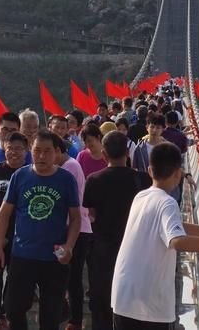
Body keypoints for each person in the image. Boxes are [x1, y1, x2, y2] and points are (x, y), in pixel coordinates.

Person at [111, 143, 199, 329]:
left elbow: (178, 227)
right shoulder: (168, 203)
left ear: (150, 170)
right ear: (178, 174)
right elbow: (178, 240)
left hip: (123, 296)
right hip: (149, 305)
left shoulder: (141, 196)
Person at [0, 130, 81, 330]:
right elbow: (4, 214)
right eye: (37, 150)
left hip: (54, 257)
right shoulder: (20, 176)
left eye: (47, 151)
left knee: (51, 315)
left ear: (56, 152)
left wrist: (69, 246)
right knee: (13, 308)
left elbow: (76, 218)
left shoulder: (66, 179)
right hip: (23, 255)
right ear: (31, 151)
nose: (41, 156)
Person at [83, 131, 151, 330]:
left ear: (104, 154)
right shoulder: (143, 180)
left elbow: (91, 214)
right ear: (127, 154)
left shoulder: (94, 180)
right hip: (135, 251)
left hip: (104, 251)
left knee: (103, 301)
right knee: (133, 303)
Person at [0, 132, 30, 330]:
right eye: (10, 148)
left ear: (26, 151)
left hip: (20, 237)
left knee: (15, 280)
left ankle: (8, 312)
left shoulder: (29, 173)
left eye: (18, 149)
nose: (13, 152)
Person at [53, 138, 93, 330]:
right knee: (69, 274)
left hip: (76, 231)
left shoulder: (68, 167)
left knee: (72, 275)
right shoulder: (71, 164)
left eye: (48, 152)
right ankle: (70, 315)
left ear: (58, 150)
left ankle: (75, 319)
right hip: (74, 230)